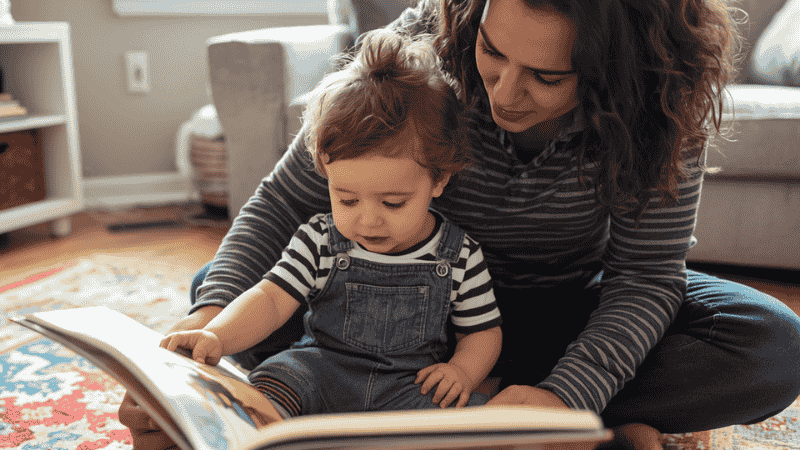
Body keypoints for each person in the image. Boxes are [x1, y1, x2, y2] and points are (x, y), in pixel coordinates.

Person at [119, 0, 800, 449]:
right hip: (398, 313)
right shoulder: (421, 51)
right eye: (493, 52)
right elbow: (279, 207)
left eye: (546, 76)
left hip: (562, 310)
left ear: (616, 73)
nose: (505, 92)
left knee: (772, 345)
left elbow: (645, 278)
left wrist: (569, 391)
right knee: (228, 284)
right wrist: (202, 329)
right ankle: (529, 419)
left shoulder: (659, 106)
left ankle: (508, 409)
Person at [158, 27, 502, 419]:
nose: (367, 220)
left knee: (471, 420)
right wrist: (214, 335)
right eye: (347, 198)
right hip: (320, 370)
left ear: (438, 180)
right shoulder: (320, 239)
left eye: (393, 202)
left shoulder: (460, 256)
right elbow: (270, 300)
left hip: (411, 386)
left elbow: (482, 332)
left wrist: (461, 371)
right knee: (273, 383)